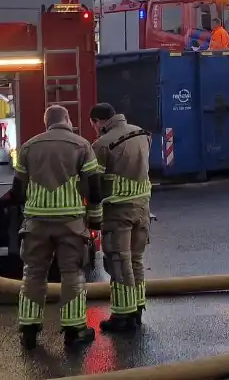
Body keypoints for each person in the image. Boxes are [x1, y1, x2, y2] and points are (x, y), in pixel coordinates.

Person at [12, 104, 103, 349]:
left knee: (33, 273)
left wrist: (27, 213)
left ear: (46, 122)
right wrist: (95, 219)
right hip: (70, 223)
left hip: (36, 223)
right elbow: (94, 188)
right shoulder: (82, 145)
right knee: (72, 273)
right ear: (67, 120)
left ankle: (29, 329)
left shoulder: (28, 147)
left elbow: (17, 190)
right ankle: (74, 330)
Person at [88, 103, 153, 334]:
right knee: (136, 260)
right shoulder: (143, 134)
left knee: (119, 261)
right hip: (143, 208)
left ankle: (122, 316)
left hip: (117, 211)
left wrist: (92, 217)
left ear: (97, 121)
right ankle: (136, 310)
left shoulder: (102, 145)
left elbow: (95, 184)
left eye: (94, 125)